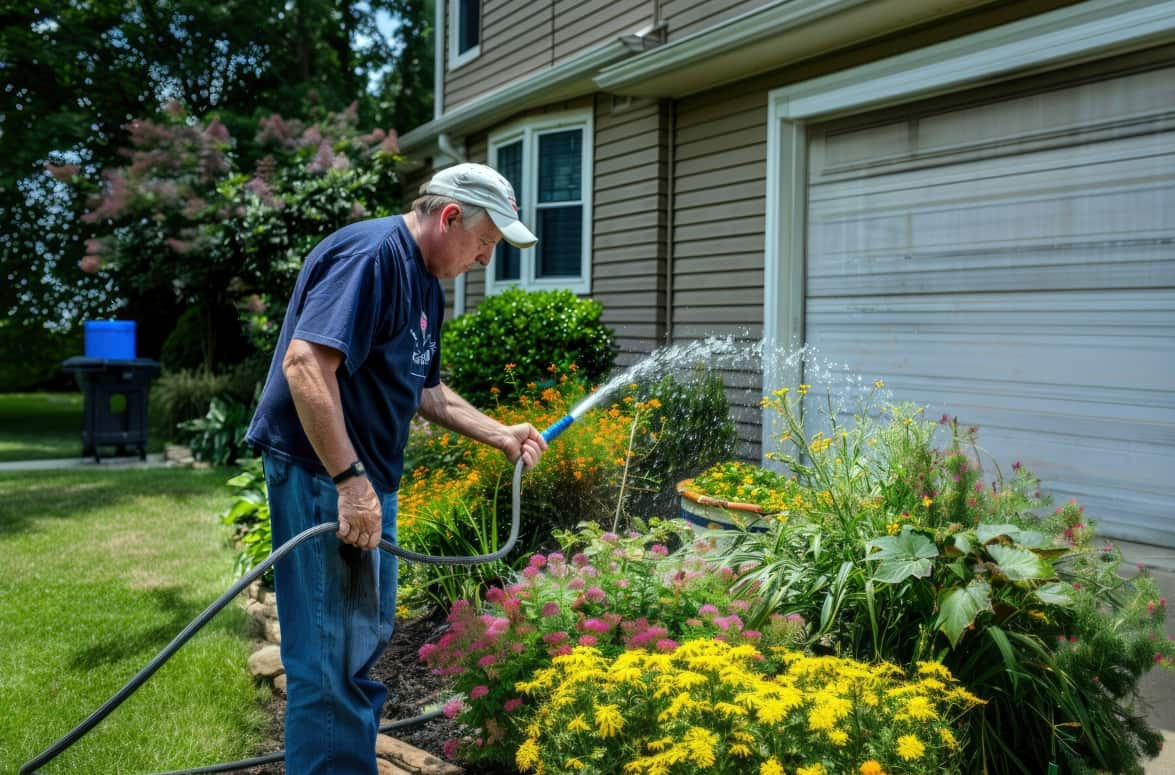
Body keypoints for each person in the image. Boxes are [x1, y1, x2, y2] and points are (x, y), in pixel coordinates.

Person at [244, 162, 548, 774]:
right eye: (485, 242)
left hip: (362, 482)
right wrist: (350, 483)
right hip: (321, 477)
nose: (486, 260)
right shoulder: (372, 256)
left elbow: (426, 391)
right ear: (450, 217)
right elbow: (306, 366)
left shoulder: (425, 285)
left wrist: (500, 435)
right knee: (330, 664)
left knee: (355, 652)